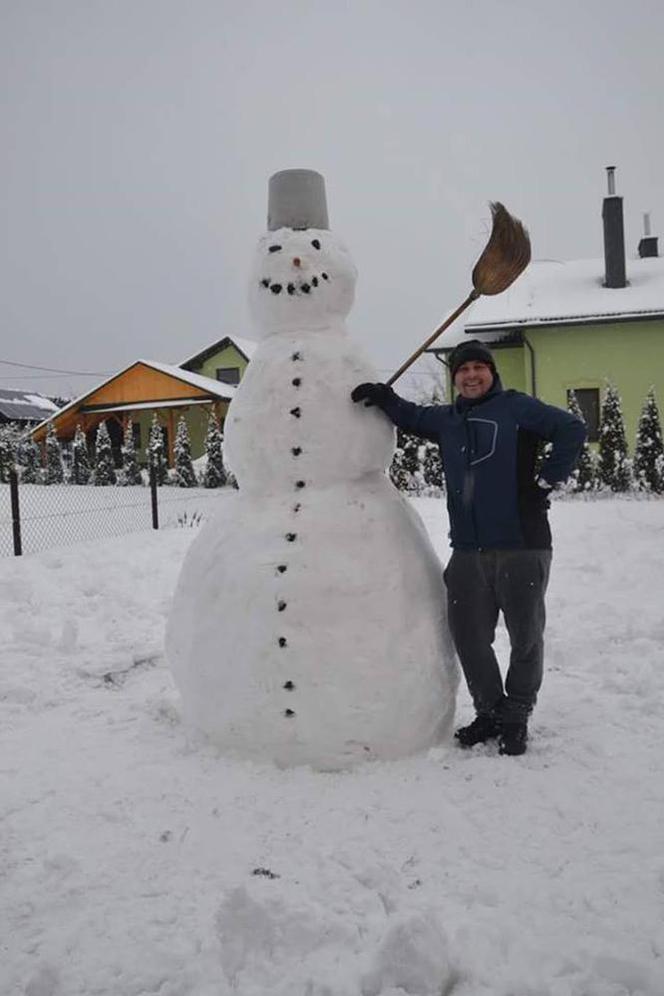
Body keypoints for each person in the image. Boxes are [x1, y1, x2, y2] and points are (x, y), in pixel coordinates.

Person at [351, 340, 586, 755]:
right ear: (454, 377)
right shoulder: (448, 419)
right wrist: (384, 397)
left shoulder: (516, 407)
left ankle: (516, 715)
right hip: (467, 550)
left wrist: (546, 481)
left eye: (480, 368)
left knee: (525, 637)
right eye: (464, 370)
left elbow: (571, 428)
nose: (471, 375)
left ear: (492, 373)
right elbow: (411, 415)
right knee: (468, 635)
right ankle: (490, 710)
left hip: (522, 546)